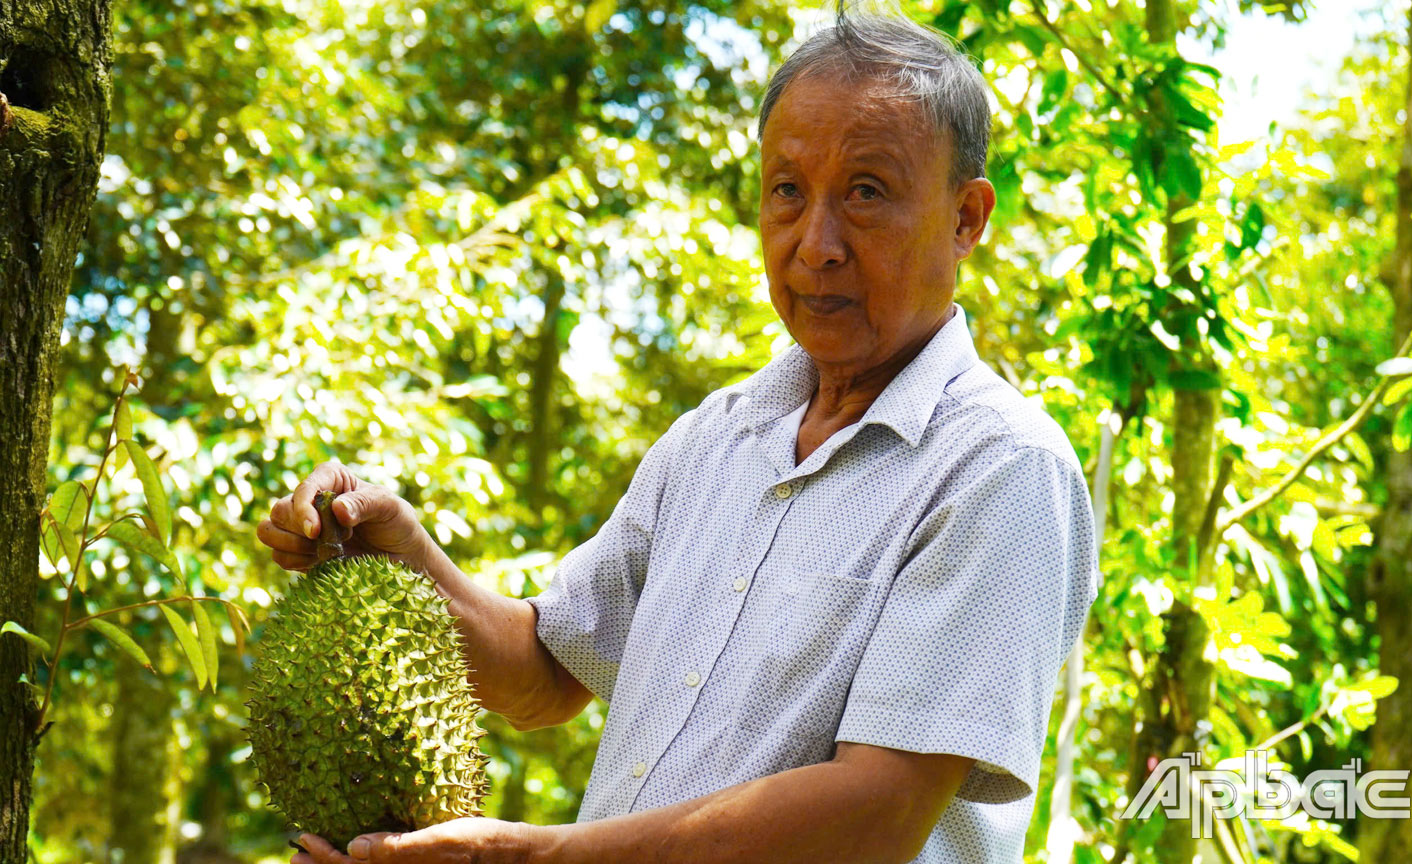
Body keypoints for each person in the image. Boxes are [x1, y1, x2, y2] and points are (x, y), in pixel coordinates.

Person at [262, 5, 1099, 863]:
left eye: (866, 192)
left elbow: (876, 815)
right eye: (786, 192)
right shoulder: (715, 440)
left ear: (966, 218)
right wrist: (404, 555)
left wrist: (531, 855)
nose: (816, 244)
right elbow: (546, 673)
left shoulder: (1000, 469)